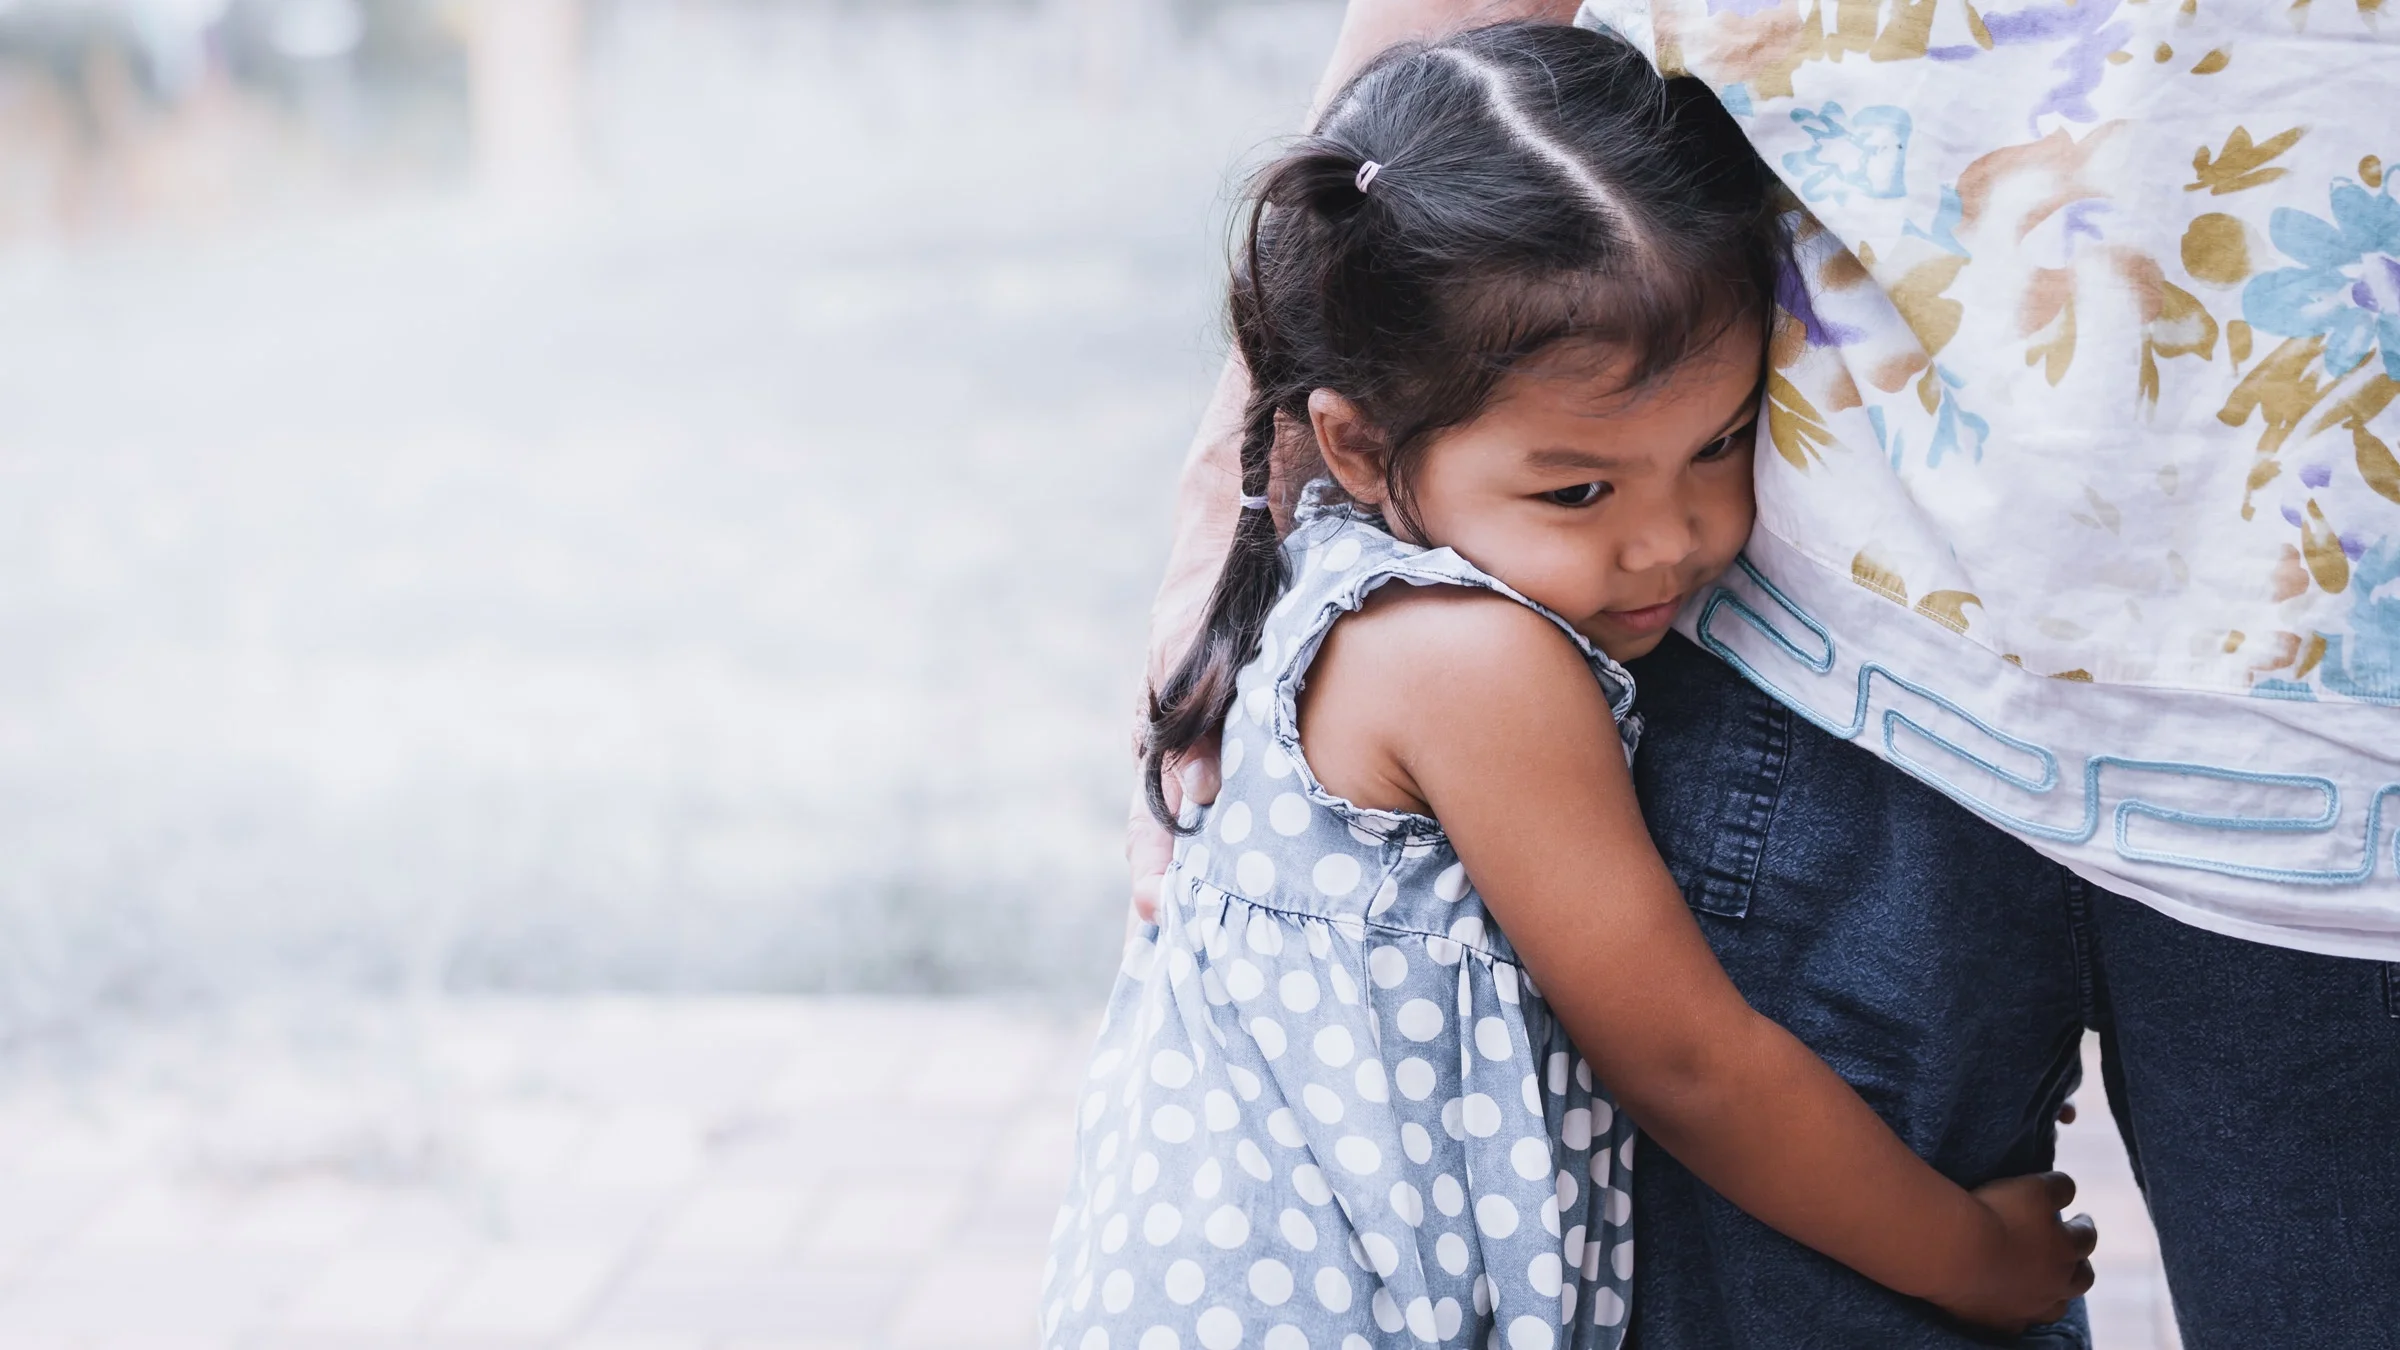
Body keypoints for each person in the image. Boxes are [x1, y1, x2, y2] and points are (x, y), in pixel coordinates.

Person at [1131, 1, 2400, 1346]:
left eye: (1727, 441)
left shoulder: (1370, 573)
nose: (1672, 537)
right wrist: (1972, 1259)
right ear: (1358, 443)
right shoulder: (1470, 657)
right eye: (1577, 489)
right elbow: (1690, 1061)